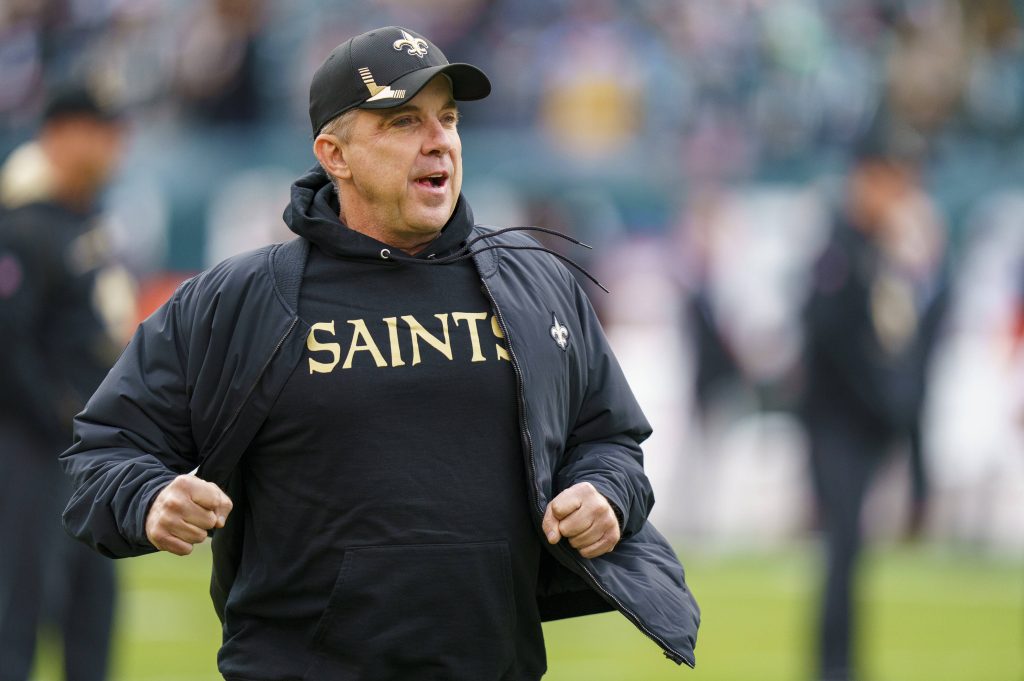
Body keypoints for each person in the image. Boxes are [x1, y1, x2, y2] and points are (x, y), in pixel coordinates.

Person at [59, 26, 700, 680]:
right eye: (403, 121)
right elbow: (103, 451)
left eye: (447, 118)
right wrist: (152, 497)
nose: (439, 140)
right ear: (334, 154)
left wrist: (604, 494)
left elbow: (610, 440)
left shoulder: (535, 284)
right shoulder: (240, 299)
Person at [799, 119, 947, 681]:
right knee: (842, 551)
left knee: (852, 552)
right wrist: (887, 398)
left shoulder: (882, 250)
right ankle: (834, 666)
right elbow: (832, 340)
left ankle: (843, 663)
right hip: (836, 424)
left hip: (866, 425)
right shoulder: (841, 247)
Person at [0, 83, 130, 681]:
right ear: (59, 134)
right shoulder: (23, 228)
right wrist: (60, 411)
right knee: (19, 614)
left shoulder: (88, 219)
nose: (113, 143)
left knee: (92, 613)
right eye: (97, 128)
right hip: (31, 449)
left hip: (86, 455)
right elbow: (8, 341)